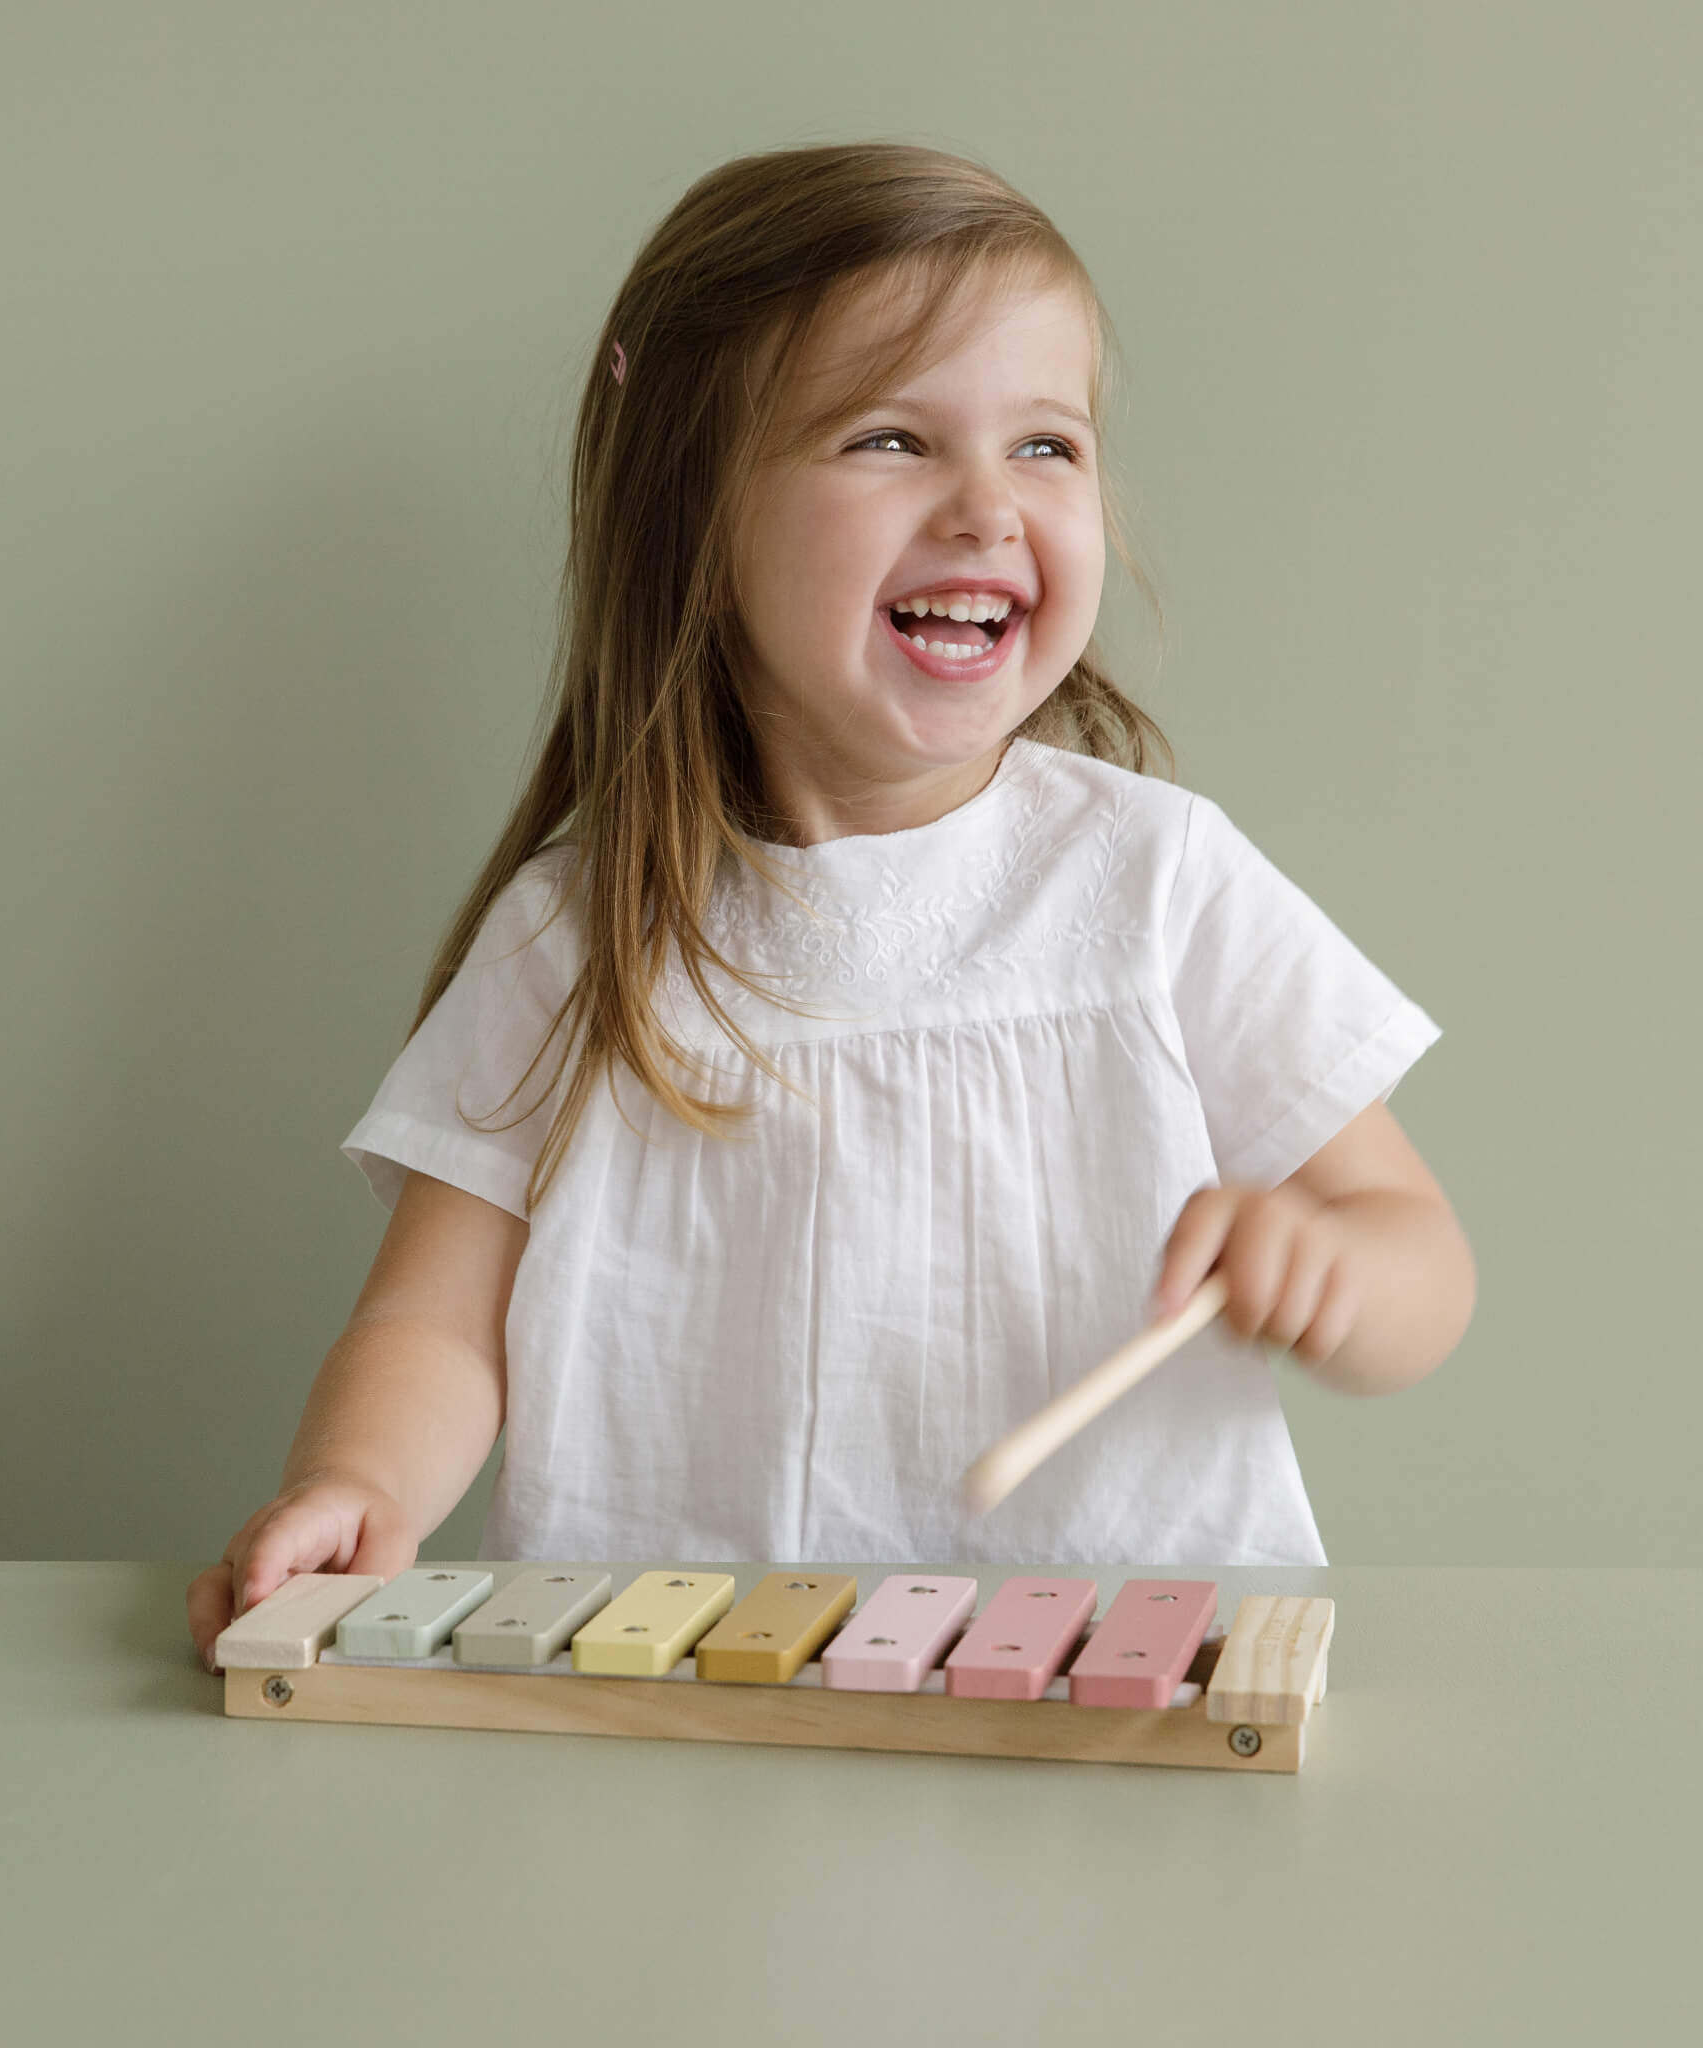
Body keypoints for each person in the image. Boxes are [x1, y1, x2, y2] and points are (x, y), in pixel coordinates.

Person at [188, 142, 1476, 1670]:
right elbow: (434, 1327)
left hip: (1114, 1692)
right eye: (891, 439)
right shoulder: (580, 930)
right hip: (673, 1697)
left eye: (1048, 447)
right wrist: (355, 1485)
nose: (989, 510)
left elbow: (1422, 1259)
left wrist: (1339, 1272)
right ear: (698, 521)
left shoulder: (1156, 881)